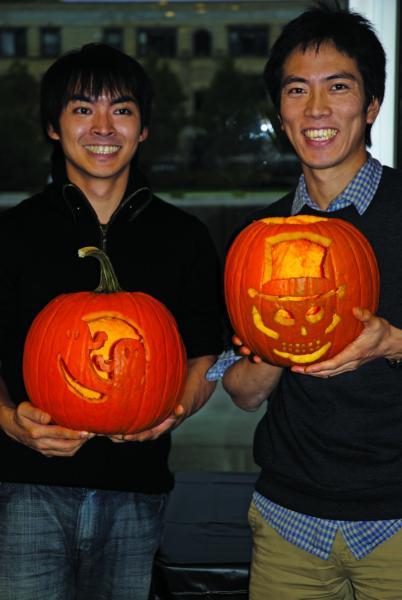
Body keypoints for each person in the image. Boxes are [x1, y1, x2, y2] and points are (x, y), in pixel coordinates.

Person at [0, 43, 222, 600]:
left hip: (137, 493)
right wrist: (8, 421)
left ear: (143, 128)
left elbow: (204, 355)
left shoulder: (185, 238)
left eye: (121, 110)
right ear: (53, 126)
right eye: (82, 109)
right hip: (25, 490)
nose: (103, 126)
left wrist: (175, 409)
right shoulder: (11, 234)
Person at [216, 3, 402, 598]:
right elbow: (242, 394)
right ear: (280, 113)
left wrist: (393, 342)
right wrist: (273, 345)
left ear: (371, 105)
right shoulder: (259, 237)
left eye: (338, 87)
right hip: (289, 522)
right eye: (298, 90)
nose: (317, 109)